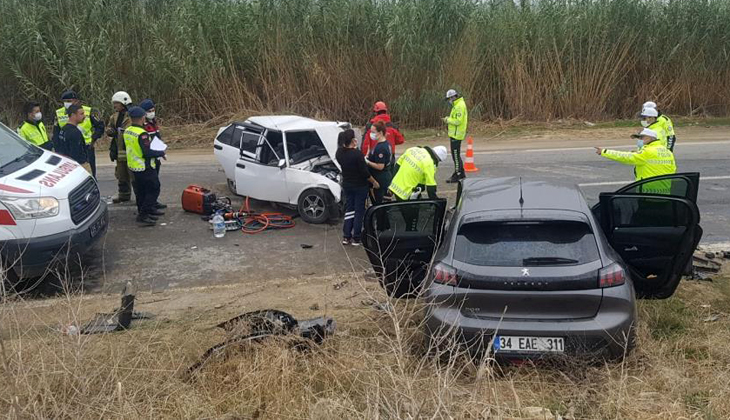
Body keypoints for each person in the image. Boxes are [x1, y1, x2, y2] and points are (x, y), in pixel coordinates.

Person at [595, 128, 676, 194]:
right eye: (638, 138)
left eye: (641, 137)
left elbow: (625, 157)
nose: (639, 140)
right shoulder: (667, 152)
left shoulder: (647, 152)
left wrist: (604, 152)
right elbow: (673, 169)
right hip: (665, 191)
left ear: (651, 138)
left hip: (647, 192)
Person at [336, 129, 379, 246]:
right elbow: (365, 173)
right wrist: (374, 182)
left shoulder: (339, 153)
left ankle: (346, 236)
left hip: (347, 185)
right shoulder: (357, 154)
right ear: (353, 140)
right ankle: (356, 237)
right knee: (359, 211)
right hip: (360, 186)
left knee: (350, 209)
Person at [124, 106, 166, 227]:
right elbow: (146, 152)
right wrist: (161, 152)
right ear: (142, 118)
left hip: (133, 166)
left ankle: (146, 212)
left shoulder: (128, 130)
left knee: (141, 192)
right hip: (144, 166)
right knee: (154, 188)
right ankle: (143, 214)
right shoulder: (142, 133)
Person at [52, 90, 104, 177]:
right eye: (65, 101)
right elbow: (56, 133)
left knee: (89, 173)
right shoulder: (58, 113)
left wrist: (94, 138)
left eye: (69, 101)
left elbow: (100, 126)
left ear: (76, 101)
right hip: (67, 148)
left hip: (86, 146)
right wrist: (58, 150)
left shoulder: (88, 111)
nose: (66, 103)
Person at [139, 98, 167, 210]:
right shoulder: (143, 125)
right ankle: (149, 206)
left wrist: (161, 151)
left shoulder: (153, 122)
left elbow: (156, 137)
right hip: (149, 156)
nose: (152, 112)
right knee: (151, 184)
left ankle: (153, 202)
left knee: (155, 179)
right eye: (149, 110)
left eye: (153, 109)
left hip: (156, 155)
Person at [107, 91, 134, 203]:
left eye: (116, 103)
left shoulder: (132, 115)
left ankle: (141, 197)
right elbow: (109, 128)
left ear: (123, 102)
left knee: (133, 175)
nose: (115, 106)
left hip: (130, 149)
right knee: (121, 174)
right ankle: (124, 195)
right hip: (119, 150)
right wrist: (110, 131)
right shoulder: (114, 116)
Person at [54, 105, 91, 173]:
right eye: (81, 114)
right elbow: (75, 153)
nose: (84, 116)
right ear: (73, 115)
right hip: (79, 166)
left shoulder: (63, 129)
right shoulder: (74, 133)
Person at [442, 89, 468, 183]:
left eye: (449, 98)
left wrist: (447, 120)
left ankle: (457, 175)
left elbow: (458, 121)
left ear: (453, 97)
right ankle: (461, 173)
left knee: (455, 156)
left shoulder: (459, 106)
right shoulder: (457, 105)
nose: (449, 101)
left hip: (456, 135)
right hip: (454, 134)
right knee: (456, 155)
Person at [364, 121, 393, 204]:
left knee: (379, 202)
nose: (371, 134)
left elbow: (380, 166)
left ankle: (381, 216)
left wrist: (367, 162)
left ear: (380, 133)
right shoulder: (385, 143)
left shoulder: (381, 148)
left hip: (381, 178)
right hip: (383, 176)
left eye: (373, 132)